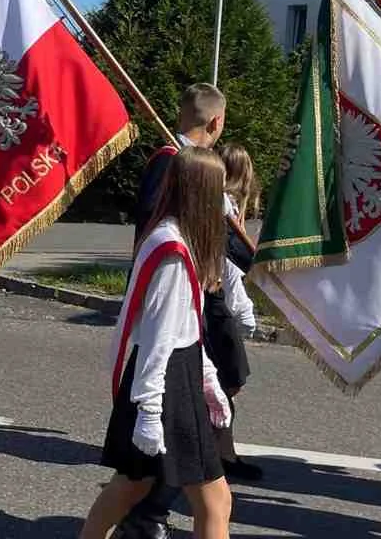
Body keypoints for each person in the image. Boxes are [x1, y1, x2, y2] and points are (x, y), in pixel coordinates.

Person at [80, 146, 234, 539]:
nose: (225, 202)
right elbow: (158, 337)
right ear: (202, 193)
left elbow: (186, 325)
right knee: (213, 501)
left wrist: (207, 378)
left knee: (134, 483)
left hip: (175, 374)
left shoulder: (173, 236)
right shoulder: (173, 252)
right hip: (164, 382)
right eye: (219, 190)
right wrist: (149, 410)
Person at [121, 83, 252, 538]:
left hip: (194, 306)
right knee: (172, 438)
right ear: (217, 121)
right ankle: (150, 512)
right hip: (184, 306)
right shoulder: (173, 163)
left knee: (193, 430)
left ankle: (154, 507)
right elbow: (169, 235)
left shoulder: (192, 163)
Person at [211, 143, 259, 481]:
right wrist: (244, 312)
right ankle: (219, 453)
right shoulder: (222, 208)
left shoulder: (226, 206)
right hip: (220, 307)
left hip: (222, 305)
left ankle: (223, 452)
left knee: (225, 383)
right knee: (227, 383)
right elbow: (230, 267)